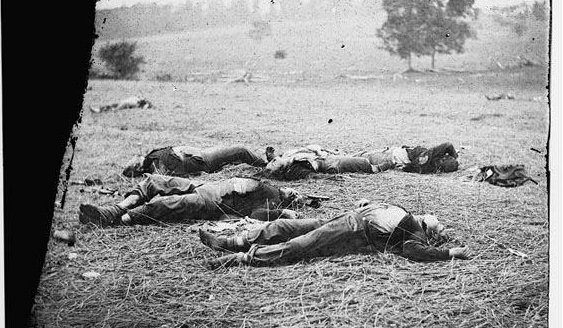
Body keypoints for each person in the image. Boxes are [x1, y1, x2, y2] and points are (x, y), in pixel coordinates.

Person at [199, 199, 471, 268]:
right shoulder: (406, 213)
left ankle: (240, 258)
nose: (436, 219)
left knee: (300, 244)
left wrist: (449, 253)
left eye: (437, 225)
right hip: (347, 218)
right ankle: (230, 242)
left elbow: (415, 251)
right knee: (287, 226)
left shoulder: (415, 232)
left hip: (352, 230)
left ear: (428, 230)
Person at [79, 174, 304, 227]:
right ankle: (118, 207)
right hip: (204, 187)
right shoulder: (268, 185)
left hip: (210, 203)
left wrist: (283, 213)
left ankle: (116, 218)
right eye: (294, 190)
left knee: (166, 204)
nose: (292, 192)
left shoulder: (272, 201)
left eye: (294, 196)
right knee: (155, 180)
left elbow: (255, 218)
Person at [123, 145, 268, 178]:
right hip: (202, 159)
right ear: (138, 166)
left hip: (199, 155)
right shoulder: (155, 166)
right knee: (240, 151)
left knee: (235, 155)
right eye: (136, 160)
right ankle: (266, 165)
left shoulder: (153, 159)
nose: (138, 156)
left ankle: (262, 158)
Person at [263, 144, 393, 180]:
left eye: (273, 160)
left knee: (365, 154)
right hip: (334, 163)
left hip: (330, 155)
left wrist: (271, 158)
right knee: (365, 163)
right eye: (273, 162)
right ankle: (391, 164)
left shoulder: (287, 157)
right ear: (280, 170)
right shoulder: (294, 169)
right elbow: (314, 176)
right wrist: (335, 178)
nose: (274, 160)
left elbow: (277, 160)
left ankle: (387, 156)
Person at [352, 142, 459, 174]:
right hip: (393, 156)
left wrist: (455, 158)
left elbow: (448, 145)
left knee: (360, 158)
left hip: (390, 156)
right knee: (361, 157)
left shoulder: (428, 158)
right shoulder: (429, 168)